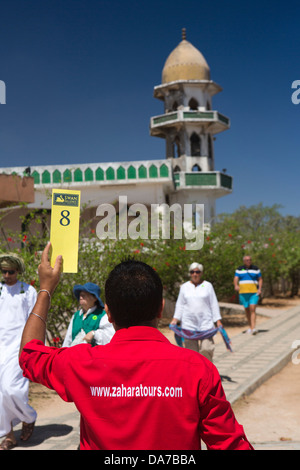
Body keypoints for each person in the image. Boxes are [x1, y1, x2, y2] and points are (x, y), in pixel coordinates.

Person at [19, 243, 253, 450]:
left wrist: (46, 288)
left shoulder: (80, 362)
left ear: (108, 314)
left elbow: (29, 354)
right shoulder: (199, 369)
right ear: (161, 309)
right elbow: (230, 444)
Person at [0, 253, 37, 450]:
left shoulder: (28, 291)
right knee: (0, 394)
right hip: (0, 348)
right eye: (4, 271)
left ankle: (29, 417)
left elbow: (35, 320)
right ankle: (8, 436)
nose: (7, 275)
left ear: (18, 271)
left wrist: (33, 347)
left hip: (18, 347)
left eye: (11, 271)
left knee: (11, 389)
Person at [170, 262, 222, 362]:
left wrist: (218, 320)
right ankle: (195, 375)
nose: (195, 274)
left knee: (206, 349)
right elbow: (180, 304)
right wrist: (175, 319)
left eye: (197, 272)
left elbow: (213, 304)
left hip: (205, 325)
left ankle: (207, 371)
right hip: (189, 325)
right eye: (192, 272)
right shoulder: (184, 287)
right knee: (191, 353)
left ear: (201, 273)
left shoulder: (208, 286)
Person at [62, 282, 114, 347]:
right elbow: (68, 339)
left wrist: (94, 334)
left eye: (84, 295)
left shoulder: (102, 315)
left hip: (94, 355)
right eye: (80, 295)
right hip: (75, 355)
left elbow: (110, 336)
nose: (81, 297)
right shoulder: (76, 316)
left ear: (95, 298)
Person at [234, 255, 262, 335]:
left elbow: (260, 279)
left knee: (252, 308)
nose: (248, 261)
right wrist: (236, 285)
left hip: (254, 292)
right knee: (247, 309)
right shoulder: (239, 269)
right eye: (247, 260)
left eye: (250, 260)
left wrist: (259, 289)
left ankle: (253, 328)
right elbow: (236, 278)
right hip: (243, 292)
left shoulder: (256, 269)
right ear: (244, 261)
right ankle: (250, 327)